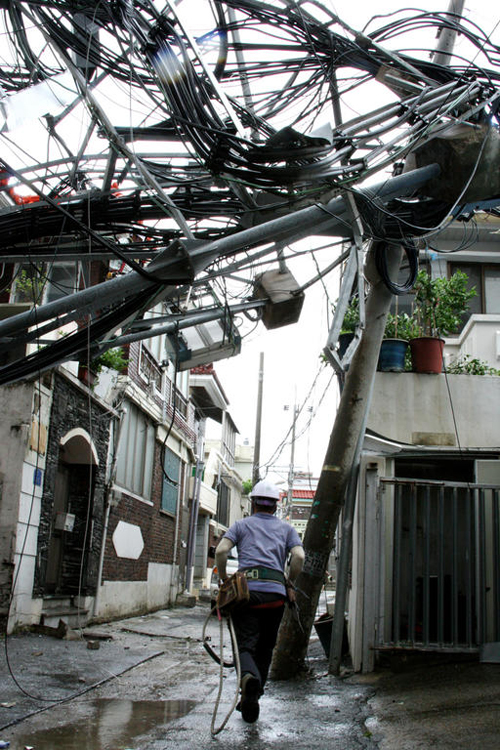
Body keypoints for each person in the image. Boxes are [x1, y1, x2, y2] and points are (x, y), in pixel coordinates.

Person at [215, 479, 304, 723]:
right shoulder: (287, 529)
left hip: (246, 595)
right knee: (266, 647)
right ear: (276, 506)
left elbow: (221, 551)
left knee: (245, 645)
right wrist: (289, 582)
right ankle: (253, 696)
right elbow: (299, 556)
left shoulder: (241, 525)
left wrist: (224, 581)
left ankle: (249, 680)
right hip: (276, 596)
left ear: (253, 504)